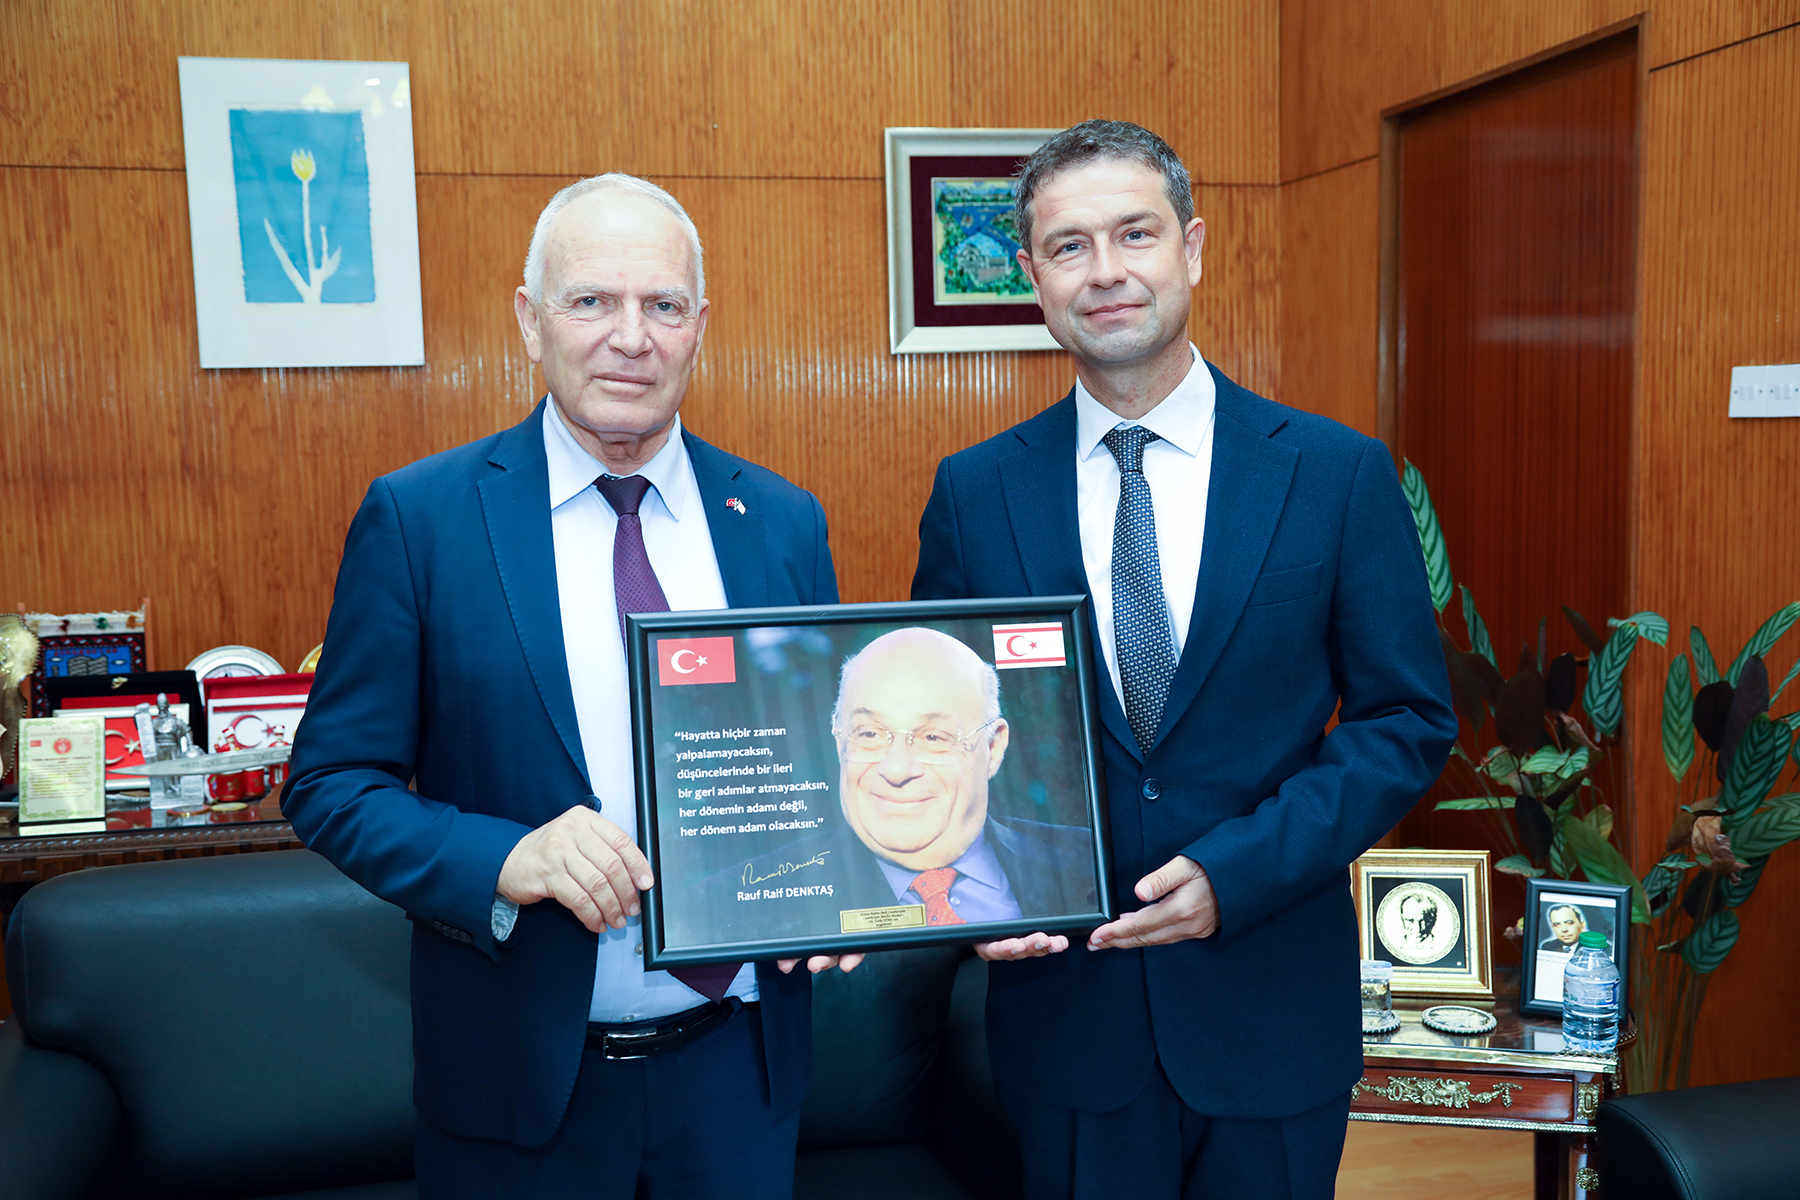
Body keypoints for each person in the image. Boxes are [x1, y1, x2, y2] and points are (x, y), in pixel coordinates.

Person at [910, 119, 1458, 1198]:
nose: (1105, 271)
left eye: (1135, 233)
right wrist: (966, 889)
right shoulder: (976, 493)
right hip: (1071, 1027)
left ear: (1193, 248)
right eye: (1068, 247)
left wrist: (1235, 873)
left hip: (1270, 1006)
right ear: (1033, 277)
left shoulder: (1333, 473)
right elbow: (947, 728)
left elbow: (1405, 722)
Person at [283, 173, 854, 1200]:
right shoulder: (421, 520)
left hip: (741, 1078)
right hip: (519, 1090)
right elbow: (331, 784)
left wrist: (850, 882)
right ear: (529, 319)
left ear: (699, 327)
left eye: (663, 305)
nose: (630, 337)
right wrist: (506, 857)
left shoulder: (780, 521)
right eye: (592, 300)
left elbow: (823, 759)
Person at [707, 627, 1095, 943]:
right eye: (870, 733)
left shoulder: (1090, 866)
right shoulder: (740, 902)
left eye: (934, 737)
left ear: (993, 749)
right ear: (839, 742)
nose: (896, 769)